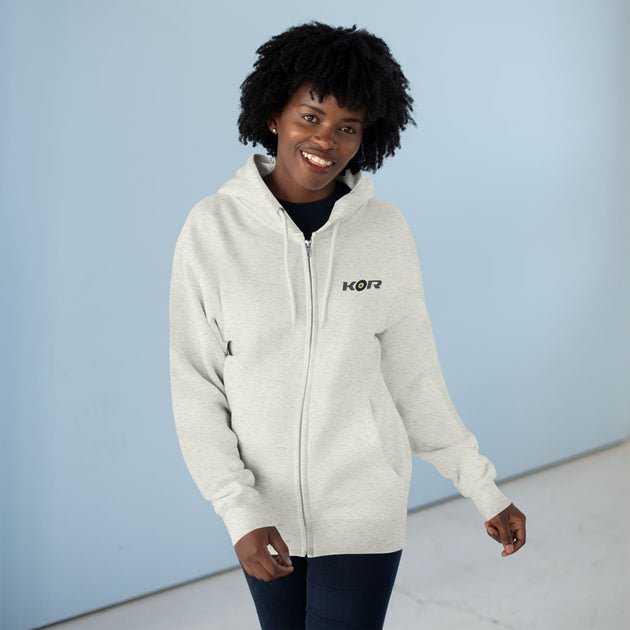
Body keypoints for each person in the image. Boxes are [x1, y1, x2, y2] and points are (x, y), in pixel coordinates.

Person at [169, 21, 526, 630]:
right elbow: (197, 385)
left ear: (368, 136)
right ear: (274, 114)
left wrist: (483, 487)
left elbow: (413, 377)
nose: (325, 140)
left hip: (364, 505)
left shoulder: (384, 230)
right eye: (310, 117)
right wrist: (239, 509)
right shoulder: (212, 229)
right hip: (263, 513)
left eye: (348, 127)